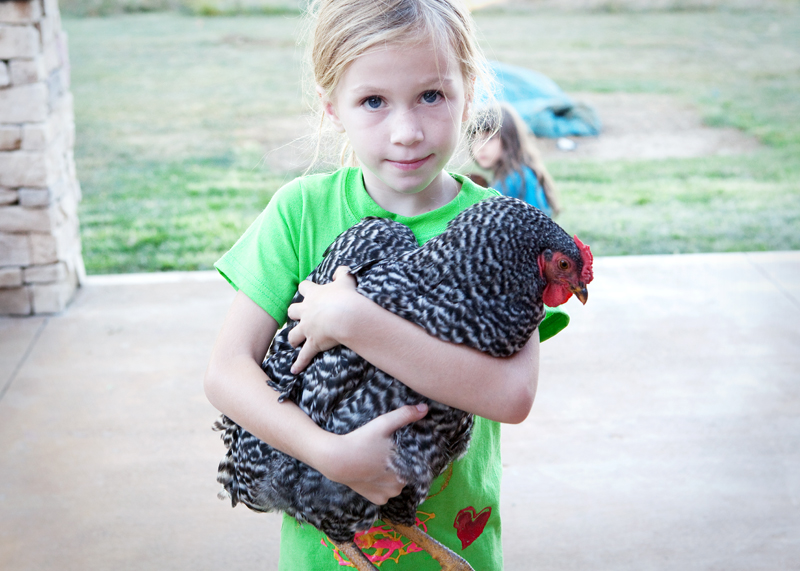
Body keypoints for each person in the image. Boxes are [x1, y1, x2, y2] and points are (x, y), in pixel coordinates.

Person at [204, 1, 568, 569]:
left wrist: (354, 323)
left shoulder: (505, 230)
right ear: (332, 107)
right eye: (373, 101)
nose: (406, 131)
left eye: (431, 95)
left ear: (468, 95)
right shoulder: (302, 213)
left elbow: (511, 396)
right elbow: (227, 371)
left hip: (458, 544)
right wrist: (330, 455)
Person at [470, 103, 561, 217]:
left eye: (490, 139)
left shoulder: (516, 178)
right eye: (475, 140)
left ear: (510, 139)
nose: (480, 147)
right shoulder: (513, 173)